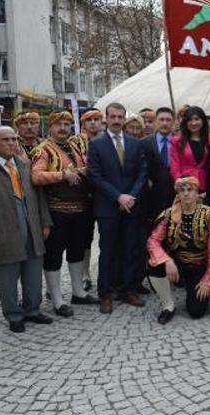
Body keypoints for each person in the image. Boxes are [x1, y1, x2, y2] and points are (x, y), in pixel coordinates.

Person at [0, 126, 53, 333]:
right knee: (7, 277)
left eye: (15, 139)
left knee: (33, 273)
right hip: (1, 231)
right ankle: (14, 315)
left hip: (31, 228)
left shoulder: (25, 163)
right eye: (7, 139)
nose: (13, 143)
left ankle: (32, 310)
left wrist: (45, 222)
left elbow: (39, 197)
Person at [31, 111, 99, 317]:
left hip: (80, 209)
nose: (63, 128)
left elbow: (85, 167)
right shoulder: (42, 149)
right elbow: (36, 176)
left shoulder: (75, 145)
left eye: (66, 124)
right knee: (53, 255)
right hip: (56, 211)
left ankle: (78, 292)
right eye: (58, 124)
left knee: (77, 251)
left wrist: (83, 171)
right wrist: (62, 174)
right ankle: (57, 299)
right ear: (50, 127)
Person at [87, 102, 148, 313]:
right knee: (108, 251)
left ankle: (127, 289)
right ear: (106, 118)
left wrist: (131, 196)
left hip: (132, 206)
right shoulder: (96, 144)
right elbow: (95, 176)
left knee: (130, 249)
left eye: (120, 117)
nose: (116, 120)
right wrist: (118, 197)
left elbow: (142, 172)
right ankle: (105, 293)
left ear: (124, 118)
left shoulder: (135, 144)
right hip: (108, 207)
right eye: (112, 116)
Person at [146, 176, 210, 324]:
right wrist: (166, 260)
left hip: (199, 266)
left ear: (197, 192)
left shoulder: (209, 214)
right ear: (177, 194)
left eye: (190, 190)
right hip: (177, 265)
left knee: (196, 311)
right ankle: (168, 306)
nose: (185, 194)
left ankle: (194, 288)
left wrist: (209, 278)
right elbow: (153, 241)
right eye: (182, 190)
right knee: (154, 264)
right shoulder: (168, 215)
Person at [78, 108, 104, 292]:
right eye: (90, 120)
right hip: (83, 196)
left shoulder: (108, 140)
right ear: (83, 123)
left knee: (107, 237)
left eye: (97, 119)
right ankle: (84, 274)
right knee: (84, 238)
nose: (93, 123)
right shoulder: (75, 143)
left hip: (104, 195)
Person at [169, 106, 210, 190]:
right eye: (190, 120)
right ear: (185, 122)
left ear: (203, 121)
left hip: (206, 186)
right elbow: (175, 167)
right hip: (185, 186)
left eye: (197, 119)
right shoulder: (176, 141)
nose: (193, 123)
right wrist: (181, 183)